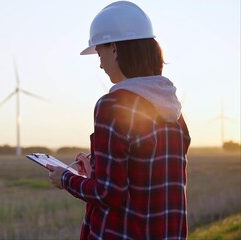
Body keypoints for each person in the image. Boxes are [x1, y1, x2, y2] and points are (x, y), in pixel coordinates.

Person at [47, 1, 191, 239]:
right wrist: (95, 171)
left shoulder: (113, 105)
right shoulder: (174, 111)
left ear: (114, 48)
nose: (100, 63)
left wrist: (65, 178)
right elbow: (144, 176)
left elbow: (110, 193)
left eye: (100, 51)